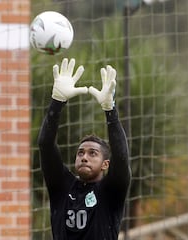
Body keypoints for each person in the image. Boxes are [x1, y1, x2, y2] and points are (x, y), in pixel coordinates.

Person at [38, 58, 131, 240]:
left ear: (105, 164)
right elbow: (45, 144)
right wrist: (57, 102)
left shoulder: (111, 190)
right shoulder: (62, 186)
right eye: (80, 153)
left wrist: (110, 111)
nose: (84, 157)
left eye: (92, 153)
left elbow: (121, 158)